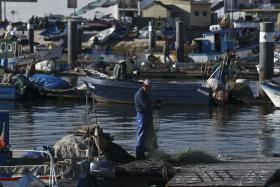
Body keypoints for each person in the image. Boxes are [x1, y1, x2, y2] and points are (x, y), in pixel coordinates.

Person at [134, 79, 156, 159]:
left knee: (148, 133)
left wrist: (155, 104)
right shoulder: (140, 94)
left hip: (147, 115)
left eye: (149, 86)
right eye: (148, 86)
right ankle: (139, 153)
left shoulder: (145, 93)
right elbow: (146, 106)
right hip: (142, 116)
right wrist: (155, 105)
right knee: (142, 133)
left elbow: (149, 104)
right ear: (144, 85)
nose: (149, 88)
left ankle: (146, 151)